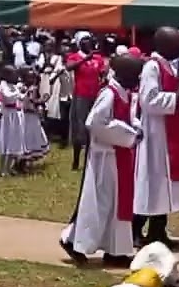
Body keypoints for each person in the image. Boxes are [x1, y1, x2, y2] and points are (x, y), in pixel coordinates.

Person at [60, 54, 144, 267]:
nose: (138, 79)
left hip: (119, 156)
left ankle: (115, 250)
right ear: (124, 74)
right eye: (135, 75)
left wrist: (136, 128)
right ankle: (73, 241)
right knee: (99, 203)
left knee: (117, 205)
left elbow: (128, 118)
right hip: (105, 158)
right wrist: (128, 134)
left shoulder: (125, 93)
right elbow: (95, 123)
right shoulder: (109, 94)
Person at [134, 26, 179, 250]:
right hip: (155, 134)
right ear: (165, 45)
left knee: (164, 184)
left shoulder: (167, 65)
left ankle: (157, 231)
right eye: (178, 46)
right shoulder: (152, 67)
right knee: (151, 182)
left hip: (168, 131)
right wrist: (178, 95)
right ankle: (135, 230)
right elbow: (148, 100)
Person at [65, 34, 106, 171]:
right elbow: (69, 67)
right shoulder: (74, 56)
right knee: (80, 127)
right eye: (85, 41)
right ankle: (76, 160)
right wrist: (85, 59)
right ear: (79, 43)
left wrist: (104, 77)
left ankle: (89, 159)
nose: (88, 43)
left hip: (95, 96)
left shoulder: (98, 58)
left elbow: (102, 73)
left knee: (92, 126)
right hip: (81, 96)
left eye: (89, 40)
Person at [0, 65, 25, 176]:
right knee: (5, 140)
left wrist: (24, 92)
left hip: (13, 114)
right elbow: (8, 96)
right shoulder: (3, 85)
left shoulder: (14, 86)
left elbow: (21, 97)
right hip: (6, 115)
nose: (15, 76)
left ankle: (8, 168)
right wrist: (18, 93)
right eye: (13, 73)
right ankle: (2, 169)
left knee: (12, 141)